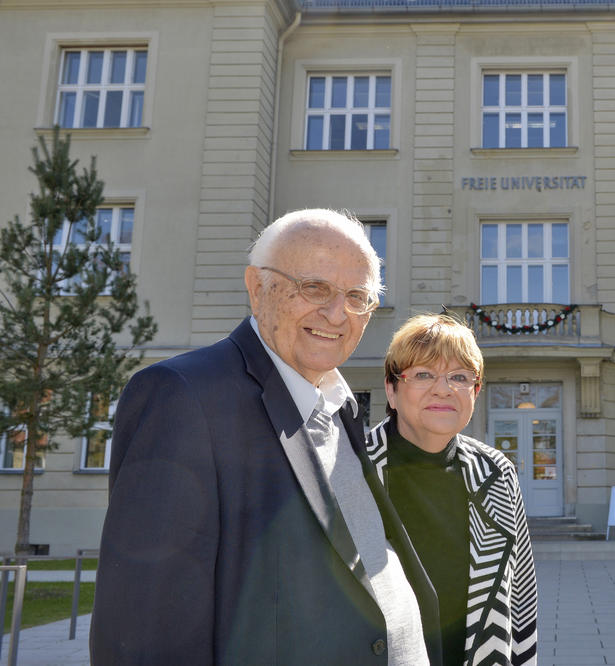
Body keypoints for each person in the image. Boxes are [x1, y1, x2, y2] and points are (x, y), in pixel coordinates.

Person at [91, 209, 442, 665]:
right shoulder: (184, 397)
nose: (337, 314)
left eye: (357, 296)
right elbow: (144, 632)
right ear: (257, 288)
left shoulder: (339, 405)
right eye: (314, 288)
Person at [365, 314, 538, 666]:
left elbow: (520, 598)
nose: (443, 389)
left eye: (459, 377)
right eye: (423, 374)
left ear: (474, 393)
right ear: (392, 389)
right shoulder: (351, 467)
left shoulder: (496, 472)